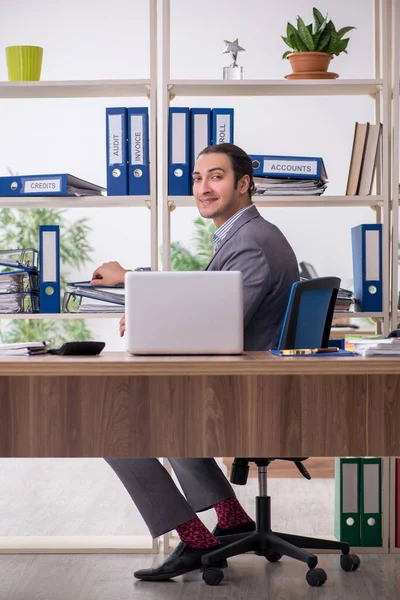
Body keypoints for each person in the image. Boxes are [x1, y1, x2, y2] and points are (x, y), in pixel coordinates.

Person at [91, 143, 299, 581]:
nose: (203, 187)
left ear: (243, 184)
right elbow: (206, 298)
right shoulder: (245, 236)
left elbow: (211, 322)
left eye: (216, 177)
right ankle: (230, 518)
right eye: (198, 178)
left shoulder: (252, 244)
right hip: (239, 381)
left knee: (115, 430)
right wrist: (142, 293)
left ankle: (197, 539)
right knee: (162, 406)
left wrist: (134, 283)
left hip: (246, 392)